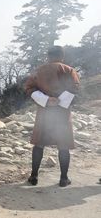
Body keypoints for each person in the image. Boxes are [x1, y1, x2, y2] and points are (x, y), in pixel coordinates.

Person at [24, 45, 80, 187]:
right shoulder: (69, 70)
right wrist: (60, 100)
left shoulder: (39, 71)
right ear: (62, 56)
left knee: (39, 144)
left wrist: (47, 100)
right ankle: (63, 179)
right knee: (63, 146)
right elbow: (75, 88)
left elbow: (29, 88)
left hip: (45, 112)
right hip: (62, 113)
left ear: (48, 57)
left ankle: (34, 177)